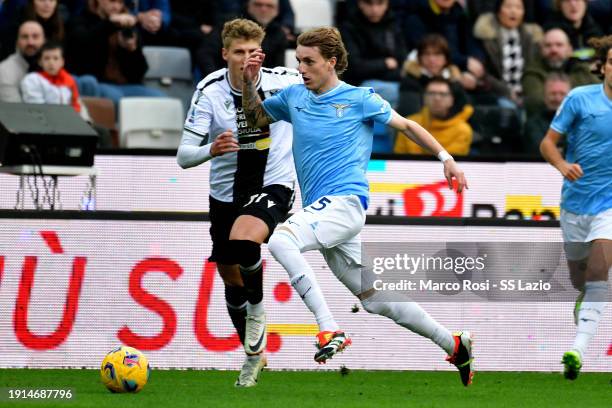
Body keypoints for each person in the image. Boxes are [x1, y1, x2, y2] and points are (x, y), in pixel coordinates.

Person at [242, 27, 474, 386]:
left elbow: (408, 126)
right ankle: (454, 343)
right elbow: (256, 119)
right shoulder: (293, 98)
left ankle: (329, 329)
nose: (301, 68)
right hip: (323, 210)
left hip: (345, 203)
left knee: (280, 241)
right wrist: (248, 83)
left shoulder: (359, 99)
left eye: (309, 61)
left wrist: (446, 158)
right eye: (299, 60)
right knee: (375, 298)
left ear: (331, 62)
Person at [176, 18, 301, 387]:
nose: (247, 59)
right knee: (230, 275)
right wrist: (210, 150)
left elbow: (327, 89)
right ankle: (253, 355)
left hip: (273, 183)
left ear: (261, 52)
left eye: (253, 52)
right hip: (225, 192)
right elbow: (183, 157)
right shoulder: (209, 90)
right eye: (239, 52)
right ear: (225, 54)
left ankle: (259, 310)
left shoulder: (284, 82)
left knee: (247, 239)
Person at [539, 35, 612, 380]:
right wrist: (562, 165)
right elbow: (547, 144)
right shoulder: (580, 99)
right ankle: (585, 307)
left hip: (609, 206)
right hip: (575, 204)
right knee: (580, 279)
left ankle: (578, 348)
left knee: (599, 270)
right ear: (603, 66)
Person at [473, 0, 543, 106]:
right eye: (508, 6)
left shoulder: (531, 37)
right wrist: (506, 92)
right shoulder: (486, 36)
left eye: (518, 7)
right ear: (498, 10)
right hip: (497, 94)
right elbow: (483, 73)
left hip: (526, 93)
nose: (513, 11)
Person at [522, 28, 599, 115]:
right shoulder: (533, 72)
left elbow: (600, 97)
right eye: (548, 45)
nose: (554, 50)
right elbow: (535, 102)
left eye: (559, 45)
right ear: (541, 50)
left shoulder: (583, 70)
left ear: (569, 49)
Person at [395, 77, 473, 156]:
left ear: (452, 100)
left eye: (443, 94)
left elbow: (452, 162)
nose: (437, 98)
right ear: (424, 98)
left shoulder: (462, 130)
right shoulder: (409, 123)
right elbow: (399, 158)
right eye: (431, 93)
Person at [523, 72, 570, 153]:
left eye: (562, 94)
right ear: (545, 96)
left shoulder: (582, 122)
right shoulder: (533, 124)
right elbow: (540, 150)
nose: (557, 98)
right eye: (553, 94)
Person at [0, 20, 44, 103]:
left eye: (35, 36)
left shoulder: (53, 64)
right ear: (17, 42)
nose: (30, 42)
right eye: (24, 37)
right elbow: (15, 111)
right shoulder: (5, 70)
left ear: (44, 40)